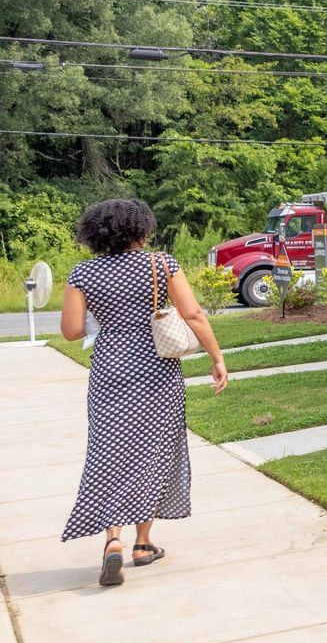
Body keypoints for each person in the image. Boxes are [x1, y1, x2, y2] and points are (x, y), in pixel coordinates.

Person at [59, 199, 227, 588]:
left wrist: (110, 324)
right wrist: (216, 358)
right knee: (153, 450)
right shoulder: (160, 265)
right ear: (141, 229)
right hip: (157, 371)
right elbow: (194, 315)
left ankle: (112, 541)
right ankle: (143, 543)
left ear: (96, 233)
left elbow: (70, 331)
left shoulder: (82, 273)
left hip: (109, 373)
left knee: (109, 452)